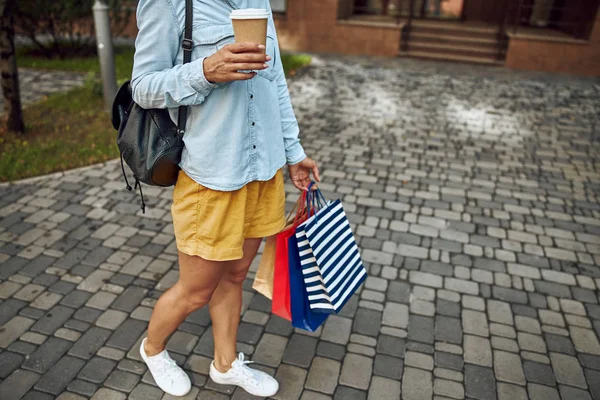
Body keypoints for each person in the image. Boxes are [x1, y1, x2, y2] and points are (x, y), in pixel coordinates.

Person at [131, 0, 320, 397]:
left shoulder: (258, 2)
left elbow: (276, 84)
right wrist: (205, 71)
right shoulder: (169, 4)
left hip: (262, 171)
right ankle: (153, 349)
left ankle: (225, 363)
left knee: (234, 276)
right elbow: (143, 86)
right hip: (213, 176)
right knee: (196, 290)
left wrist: (294, 153)